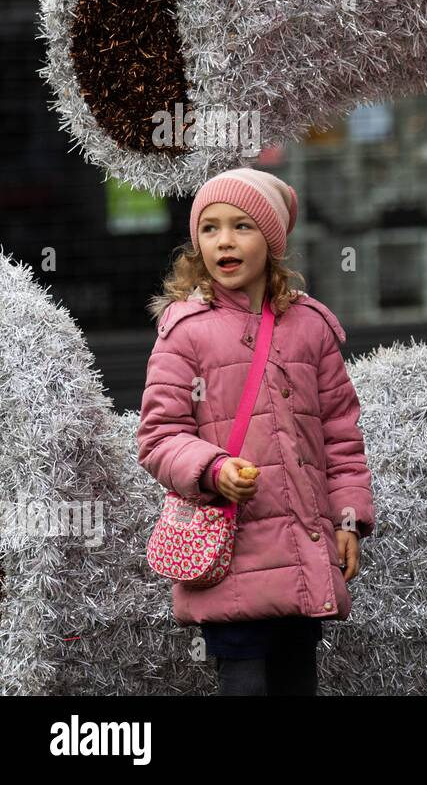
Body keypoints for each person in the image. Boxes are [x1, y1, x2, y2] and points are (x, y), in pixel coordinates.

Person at [137, 167, 376, 695]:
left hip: (302, 554)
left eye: (242, 226)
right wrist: (214, 469)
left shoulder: (310, 327)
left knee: (297, 681)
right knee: (243, 683)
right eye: (210, 228)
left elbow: (341, 435)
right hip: (233, 559)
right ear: (197, 243)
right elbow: (158, 436)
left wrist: (349, 519)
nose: (224, 240)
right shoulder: (185, 332)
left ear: (271, 240)